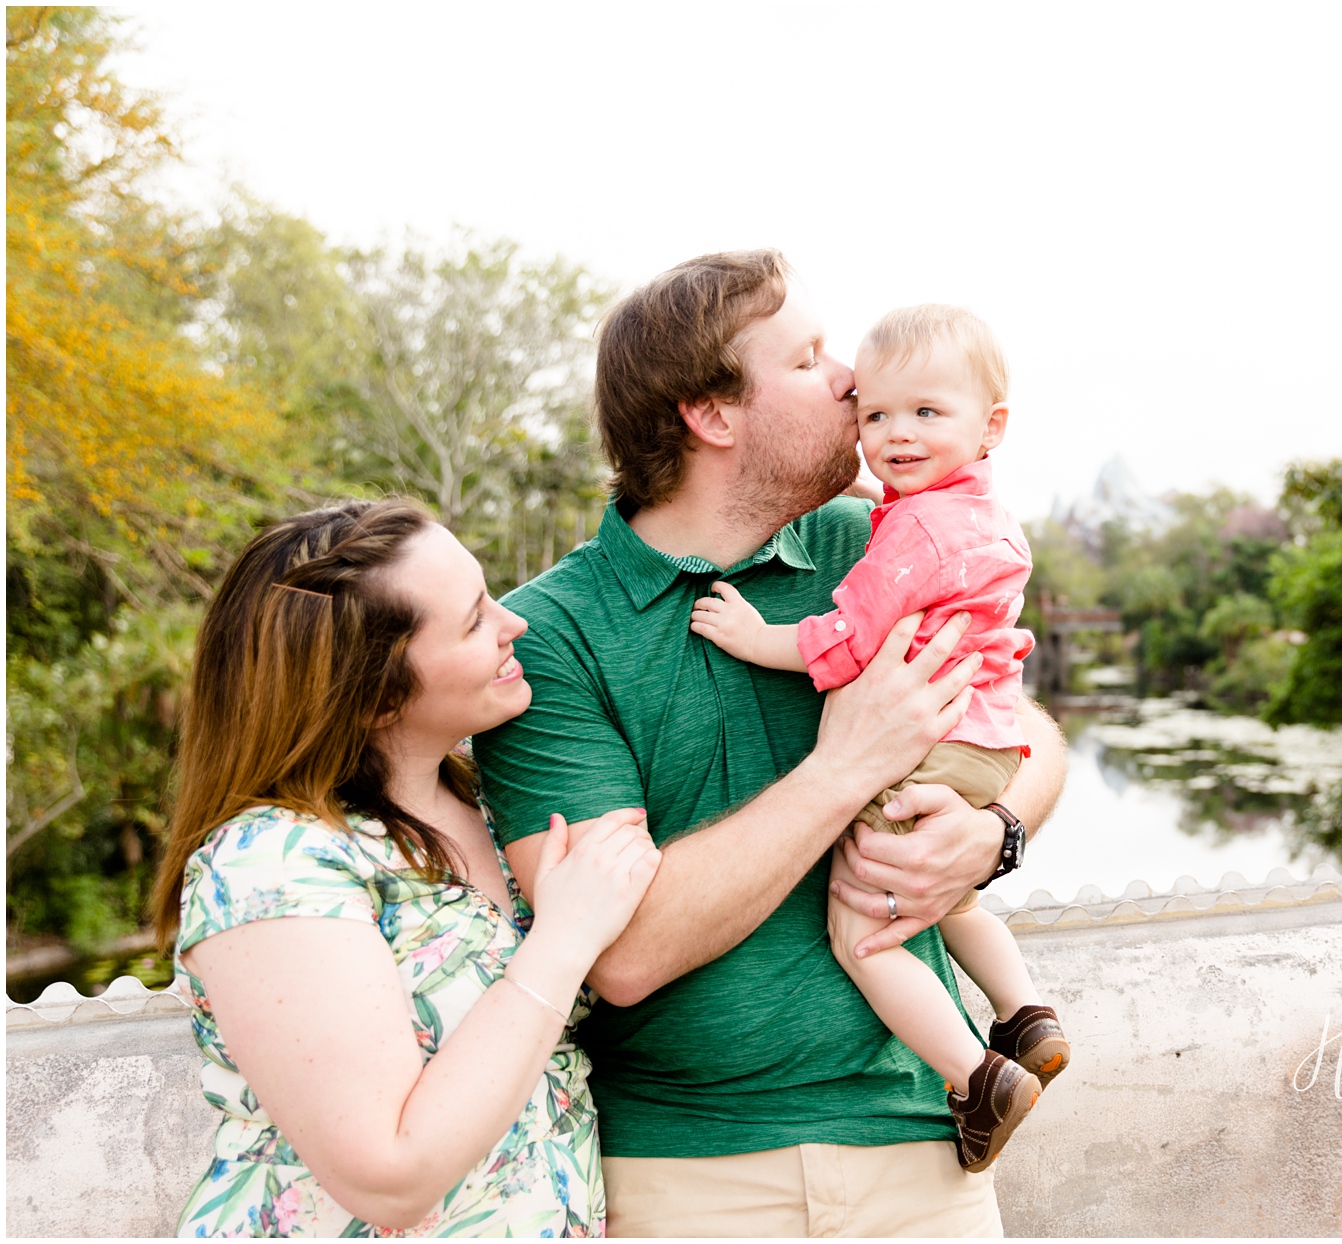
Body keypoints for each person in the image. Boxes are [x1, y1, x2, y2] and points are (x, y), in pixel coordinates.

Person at [473, 250, 1068, 1237]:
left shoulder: (878, 539)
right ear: (712, 412)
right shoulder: (552, 638)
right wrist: (842, 770)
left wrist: (991, 831)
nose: (852, 380)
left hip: (926, 1156)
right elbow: (619, 953)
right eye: (809, 359)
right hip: (685, 1177)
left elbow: (1024, 726)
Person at [149, 499, 661, 1237]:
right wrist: (565, 939)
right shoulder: (272, 863)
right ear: (375, 694)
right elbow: (386, 1178)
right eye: (474, 620)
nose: (515, 623)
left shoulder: (492, 807)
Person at [689, 304, 1069, 1174]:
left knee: (868, 931)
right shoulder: (976, 513)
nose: (895, 435)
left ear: (991, 426)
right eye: (876, 415)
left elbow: (847, 638)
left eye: (926, 414)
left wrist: (755, 637)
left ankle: (979, 1078)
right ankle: (1027, 1015)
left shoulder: (916, 533)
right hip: (981, 742)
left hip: (927, 746)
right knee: (951, 893)